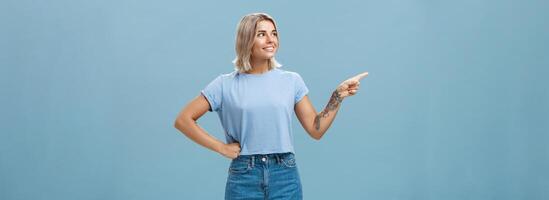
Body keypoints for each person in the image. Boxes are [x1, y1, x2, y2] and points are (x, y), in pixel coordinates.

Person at [174, 12, 368, 200]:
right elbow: (183, 120)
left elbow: (315, 129)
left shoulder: (291, 81)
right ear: (246, 40)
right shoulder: (224, 84)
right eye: (261, 34)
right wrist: (220, 147)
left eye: (273, 33)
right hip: (244, 175)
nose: (270, 39)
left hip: (285, 174)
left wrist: (337, 96)